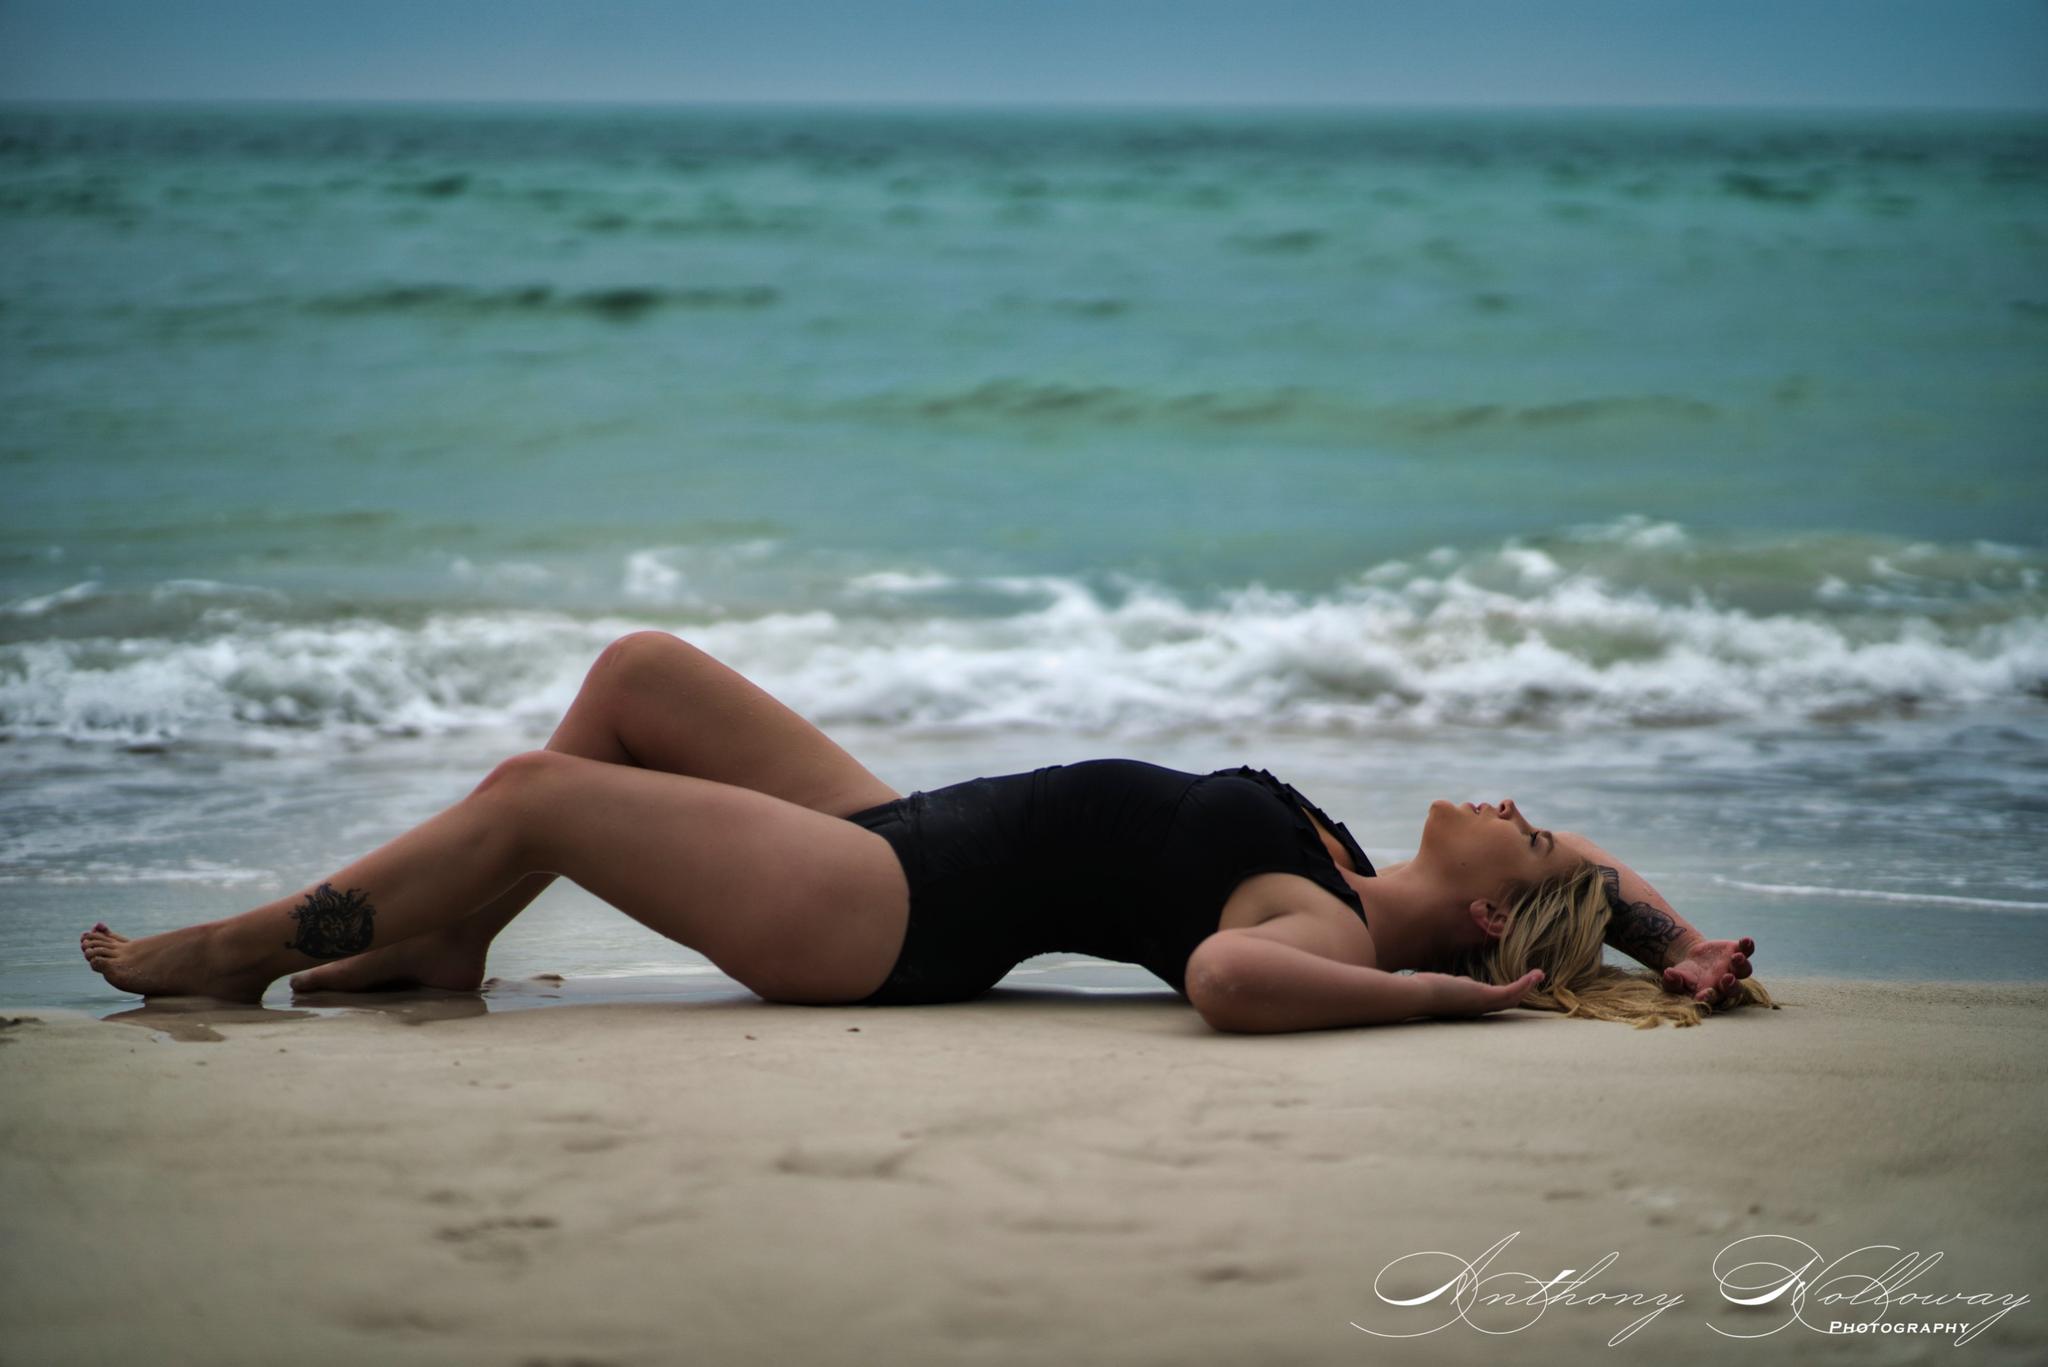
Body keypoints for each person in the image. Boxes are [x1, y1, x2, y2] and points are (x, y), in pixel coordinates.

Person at [79, 631, 1771, 1032]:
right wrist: (1669, 942)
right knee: (640, 675)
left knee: (544, 797)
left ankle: (232, 957)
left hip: (884, 918)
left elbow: (1231, 984)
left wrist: (1459, 1009)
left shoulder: (1329, 930)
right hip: (908, 831)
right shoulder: (1341, 854)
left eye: (1527, 844)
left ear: (1483, 927)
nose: (1528, 815)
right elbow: (1591, 892)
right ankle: (440, 942)